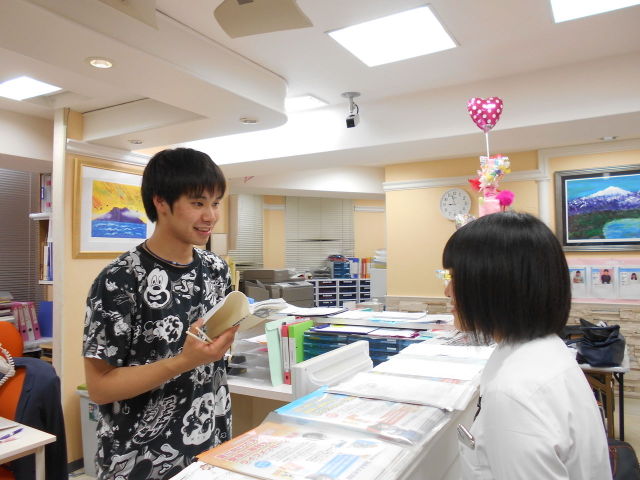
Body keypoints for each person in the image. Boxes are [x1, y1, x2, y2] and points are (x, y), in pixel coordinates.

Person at [83, 148, 238, 480]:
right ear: (161, 203)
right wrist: (183, 360)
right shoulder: (118, 280)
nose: (210, 215)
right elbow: (99, 387)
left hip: (209, 448)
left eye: (215, 203)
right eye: (198, 203)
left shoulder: (216, 270)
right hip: (140, 461)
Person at [441, 212, 611, 480]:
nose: (447, 292)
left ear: (493, 286)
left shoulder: (514, 393)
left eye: (456, 278)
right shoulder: (544, 350)